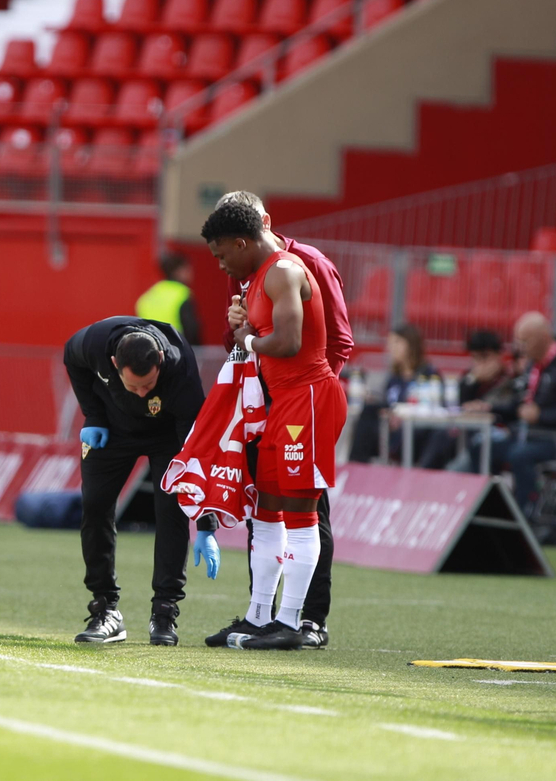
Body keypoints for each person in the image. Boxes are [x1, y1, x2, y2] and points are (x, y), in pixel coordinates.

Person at [201, 200, 348, 650]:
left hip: (307, 398)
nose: (221, 263)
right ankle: (259, 615)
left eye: (222, 254)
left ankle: (293, 620)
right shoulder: (256, 277)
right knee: (265, 510)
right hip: (281, 401)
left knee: (300, 512)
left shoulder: (285, 269)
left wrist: (246, 336)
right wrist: (241, 329)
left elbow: (287, 342)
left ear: (242, 242)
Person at [64, 316, 204, 646]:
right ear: (113, 365)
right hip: (112, 430)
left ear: (159, 361)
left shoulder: (180, 366)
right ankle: (105, 610)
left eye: (148, 385)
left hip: (167, 435)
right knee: (95, 506)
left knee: (171, 511)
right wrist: (93, 414)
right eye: (133, 386)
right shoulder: (96, 343)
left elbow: (193, 446)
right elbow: (71, 357)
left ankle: (165, 612)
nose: (142, 393)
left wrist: (206, 516)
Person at [497, 312, 556, 511]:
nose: (520, 348)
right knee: (486, 446)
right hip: (534, 435)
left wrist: (541, 415)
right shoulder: (534, 365)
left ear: (543, 338)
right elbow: (519, 404)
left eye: (524, 341)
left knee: (519, 455)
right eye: (518, 341)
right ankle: (488, 509)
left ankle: (526, 511)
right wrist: (488, 408)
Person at [417, 328, 518, 470]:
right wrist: (474, 380)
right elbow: (461, 403)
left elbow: (509, 411)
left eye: (485, 357)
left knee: (458, 462)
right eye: (476, 358)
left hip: (493, 437)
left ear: (498, 355)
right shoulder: (470, 378)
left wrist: (485, 406)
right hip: (467, 433)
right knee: (440, 436)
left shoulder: (510, 381)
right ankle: (424, 474)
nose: (480, 364)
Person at [347, 324, 438, 464]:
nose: (391, 349)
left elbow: (434, 407)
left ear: (411, 344)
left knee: (368, 419)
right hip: (389, 430)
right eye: (390, 344)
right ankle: (355, 463)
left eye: (397, 343)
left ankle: (355, 463)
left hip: (416, 431)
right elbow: (388, 401)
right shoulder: (394, 377)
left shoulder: (429, 375)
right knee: (368, 411)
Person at [135, 251, 203, 346]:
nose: (191, 273)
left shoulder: (147, 296)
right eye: (188, 269)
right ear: (179, 271)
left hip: (152, 351)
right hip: (176, 351)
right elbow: (191, 330)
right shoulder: (182, 293)